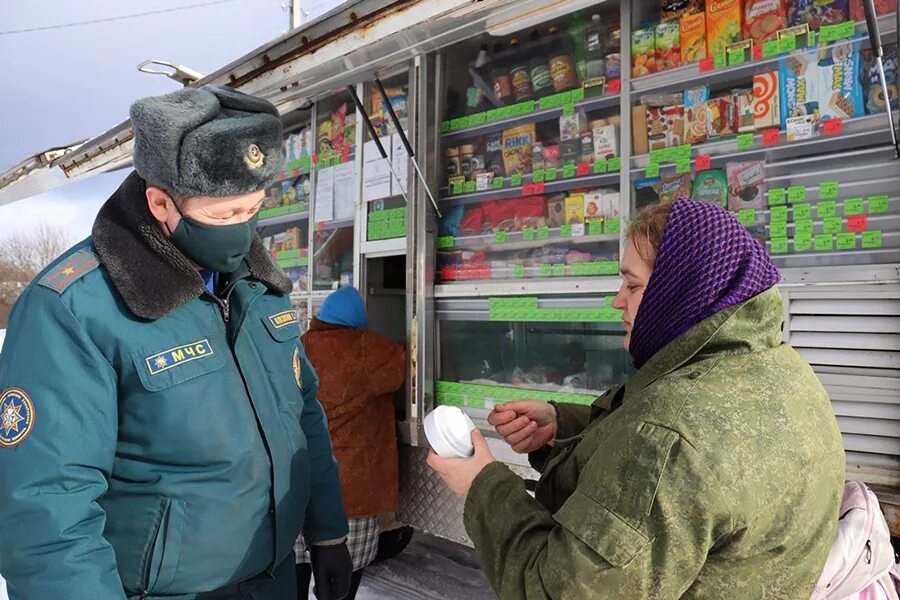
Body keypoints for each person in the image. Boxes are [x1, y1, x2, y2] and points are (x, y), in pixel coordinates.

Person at [0, 85, 353, 600]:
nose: (243, 232)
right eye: (223, 215)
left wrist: (328, 531)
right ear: (160, 203)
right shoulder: (75, 308)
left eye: (253, 210)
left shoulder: (259, 287)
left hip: (273, 580)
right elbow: (48, 506)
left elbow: (302, 416)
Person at [428, 199, 845, 598]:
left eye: (632, 284)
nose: (617, 301)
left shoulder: (672, 433)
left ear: (682, 290)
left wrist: (483, 485)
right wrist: (564, 426)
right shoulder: (782, 369)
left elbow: (557, 591)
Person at [294, 287, 407, 599]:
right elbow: (407, 363)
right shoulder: (366, 348)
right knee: (339, 584)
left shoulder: (300, 345)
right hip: (349, 497)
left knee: (293, 578)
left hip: (298, 488)